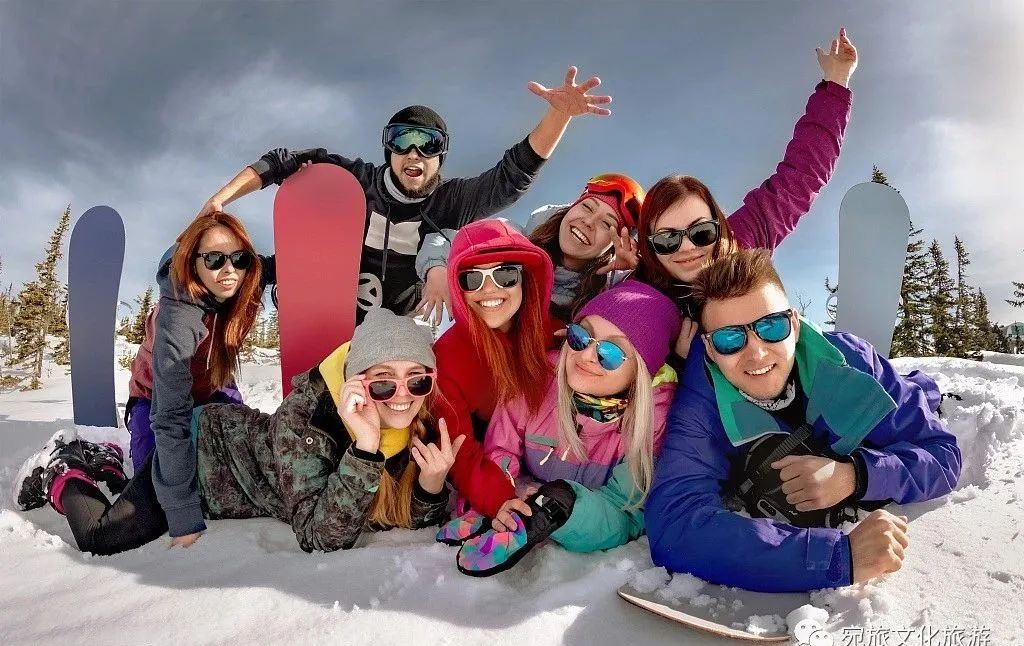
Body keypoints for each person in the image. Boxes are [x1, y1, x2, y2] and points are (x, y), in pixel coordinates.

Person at [14, 309, 460, 555]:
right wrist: (365, 448)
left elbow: (395, 514)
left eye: (417, 379)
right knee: (103, 537)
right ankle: (63, 467)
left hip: (235, 458)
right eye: (383, 381)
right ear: (356, 380)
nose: (402, 395)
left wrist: (431, 485)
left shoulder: (415, 421)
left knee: (132, 489)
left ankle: (110, 466)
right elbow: (320, 536)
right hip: (200, 453)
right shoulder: (307, 419)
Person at [645, 249, 961, 592]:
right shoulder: (702, 400)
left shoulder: (853, 362)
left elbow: (942, 455)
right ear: (709, 348)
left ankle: (925, 388)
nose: (757, 353)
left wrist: (856, 475)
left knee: (917, 394)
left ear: (794, 325)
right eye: (730, 338)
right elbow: (675, 520)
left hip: (876, 397)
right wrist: (835, 557)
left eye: (771, 327)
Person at [198, 67, 611, 322]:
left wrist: (558, 115)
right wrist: (220, 200)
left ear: (441, 156)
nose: (414, 154)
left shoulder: (450, 200)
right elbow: (283, 161)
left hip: (398, 324)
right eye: (402, 141)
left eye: (428, 144)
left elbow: (511, 177)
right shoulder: (355, 180)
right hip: (333, 306)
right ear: (388, 149)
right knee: (235, 267)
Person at [634, 28, 858, 365]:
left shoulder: (745, 239)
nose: (687, 248)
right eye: (668, 240)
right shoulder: (643, 292)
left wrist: (836, 82)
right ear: (650, 245)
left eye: (701, 232)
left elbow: (802, 172)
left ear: (718, 224)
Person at [437, 281, 681, 576]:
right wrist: (501, 497)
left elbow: (626, 511)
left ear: (642, 369)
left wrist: (565, 508)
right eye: (581, 337)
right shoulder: (537, 380)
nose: (587, 355)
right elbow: (501, 448)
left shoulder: (654, 418)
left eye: (610, 353)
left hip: (583, 514)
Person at [124, 212, 275, 472]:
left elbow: (287, 261)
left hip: (214, 386)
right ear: (193, 264)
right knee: (152, 474)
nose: (230, 270)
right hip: (155, 397)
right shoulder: (177, 316)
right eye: (214, 259)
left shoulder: (243, 275)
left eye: (239, 258)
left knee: (246, 457)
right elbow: (170, 416)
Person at [431, 219, 559, 519]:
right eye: (471, 279)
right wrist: (497, 497)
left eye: (505, 275)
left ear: (525, 279)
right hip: (493, 465)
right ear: (457, 288)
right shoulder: (448, 357)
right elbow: (459, 448)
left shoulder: (554, 336)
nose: (489, 289)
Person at [415, 173, 644, 324]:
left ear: (615, 244)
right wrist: (436, 269)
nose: (588, 222)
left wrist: (636, 276)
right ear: (571, 208)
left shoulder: (611, 286)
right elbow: (450, 239)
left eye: (606, 224)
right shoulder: (517, 240)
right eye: (587, 207)